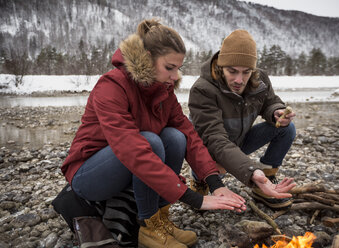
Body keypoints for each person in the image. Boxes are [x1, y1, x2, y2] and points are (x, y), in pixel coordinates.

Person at [61, 19, 246, 248]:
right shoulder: (111, 86)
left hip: (130, 166)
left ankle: (159, 220)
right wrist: (194, 198)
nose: (176, 76)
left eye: (178, 68)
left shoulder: (164, 91)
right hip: (88, 175)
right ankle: (148, 227)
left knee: (175, 137)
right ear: (147, 58)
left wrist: (215, 183)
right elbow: (134, 150)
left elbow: (189, 135)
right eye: (170, 68)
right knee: (149, 141)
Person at [188, 29, 297, 210]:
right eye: (232, 71)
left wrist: (276, 112)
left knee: (286, 128)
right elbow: (215, 139)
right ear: (221, 67)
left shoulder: (259, 80)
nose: (239, 80)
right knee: (206, 194)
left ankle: (266, 181)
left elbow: (270, 101)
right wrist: (251, 171)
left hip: (241, 141)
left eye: (246, 72)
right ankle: (199, 180)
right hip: (210, 149)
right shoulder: (203, 90)